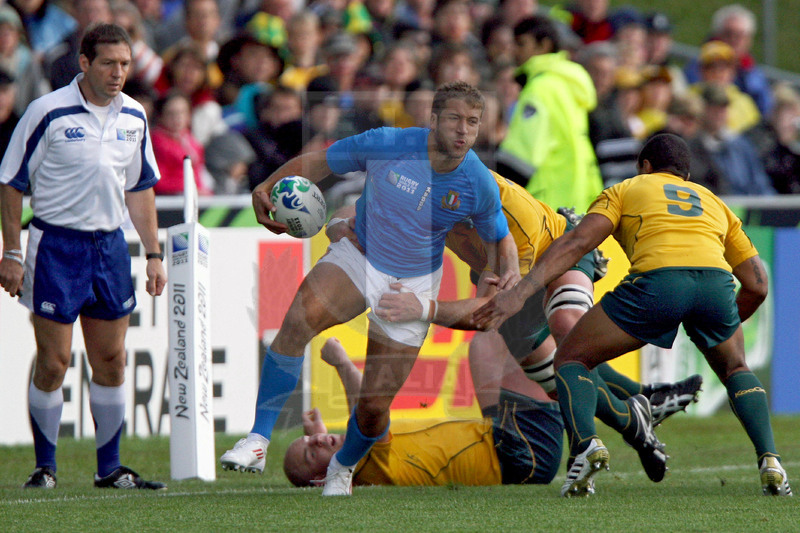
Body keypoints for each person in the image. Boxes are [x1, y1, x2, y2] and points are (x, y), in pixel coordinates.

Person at [219, 80, 520, 496]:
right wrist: (266, 185)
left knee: (376, 408)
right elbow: (321, 161)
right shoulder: (387, 143)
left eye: (472, 122)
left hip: (412, 285)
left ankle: (343, 466)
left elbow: (499, 237)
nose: (462, 130)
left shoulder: (478, 183)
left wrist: (512, 271)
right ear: (432, 120)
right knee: (297, 321)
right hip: (360, 254)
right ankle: (258, 439)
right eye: (453, 119)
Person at [473, 133, 793, 498]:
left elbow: (578, 243)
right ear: (685, 175)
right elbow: (758, 283)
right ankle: (771, 461)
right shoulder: (714, 202)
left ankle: (586, 449)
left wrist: (521, 291)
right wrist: (724, 322)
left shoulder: (627, 188)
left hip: (658, 283)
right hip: (715, 286)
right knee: (736, 369)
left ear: (645, 166)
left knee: (571, 358)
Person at [0, 23, 166, 490]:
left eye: (125, 64)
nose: (119, 73)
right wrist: (12, 251)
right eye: (109, 63)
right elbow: (10, 183)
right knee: (54, 362)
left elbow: (140, 188)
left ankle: (110, 468)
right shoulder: (46, 112)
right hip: (56, 246)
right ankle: (44, 467)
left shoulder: (135, 116)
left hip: (110, 247)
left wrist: (152, 253)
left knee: (112, 358)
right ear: (85, 64)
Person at [285, 336, 564, 487]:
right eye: (311, 453)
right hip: (522, 454)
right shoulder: (365, 470)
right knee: (536, 343)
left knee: (488, 341)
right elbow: (368, 411)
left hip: (502, 437)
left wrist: (317, 439)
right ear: (321, 479)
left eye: (309, 440)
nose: (317, 441)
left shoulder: (356, 461)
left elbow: (352, 432)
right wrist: (342, 363)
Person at [496, 14, 602, 212]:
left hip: (545, 206)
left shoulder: (540, 88)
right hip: (577, 202)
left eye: (521, 44)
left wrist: (494, 197)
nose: (514, 51)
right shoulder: (567, 84)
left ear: (543, 45)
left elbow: (520, 156)